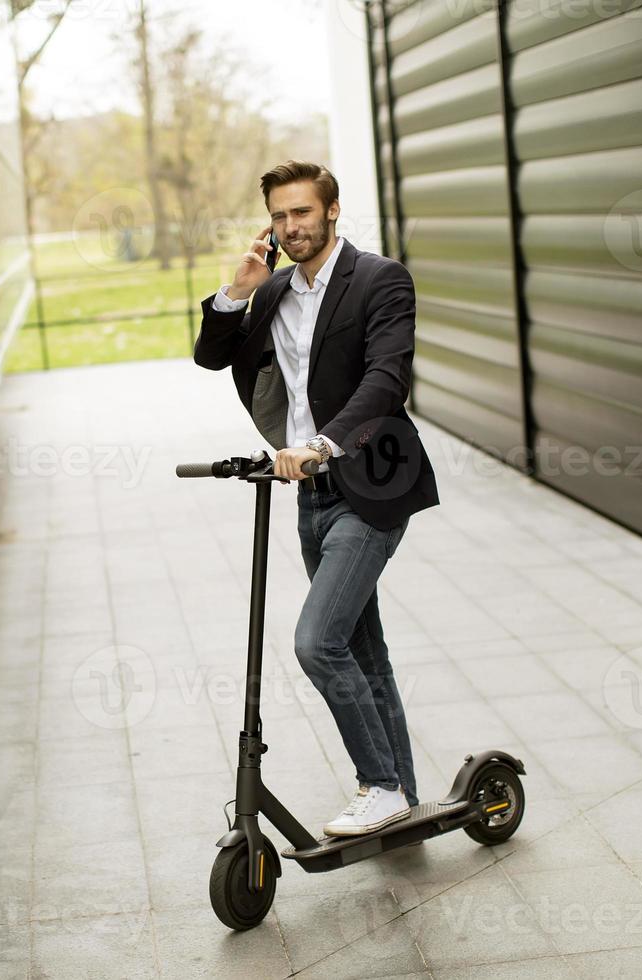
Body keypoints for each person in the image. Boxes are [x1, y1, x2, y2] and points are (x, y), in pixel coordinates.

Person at [193, 160, 440, 836]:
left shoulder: (380, 280)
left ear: (332, 211)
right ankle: (405, 799)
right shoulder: (271, 293)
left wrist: (323, 444)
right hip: (310, 498)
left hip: (371, 484)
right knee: (365, 652)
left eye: (302, 212)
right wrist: (234, 293)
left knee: (317, 642)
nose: (290, 226)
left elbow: (386, 380)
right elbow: (211, 357)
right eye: (279, 216)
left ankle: (381, 784)